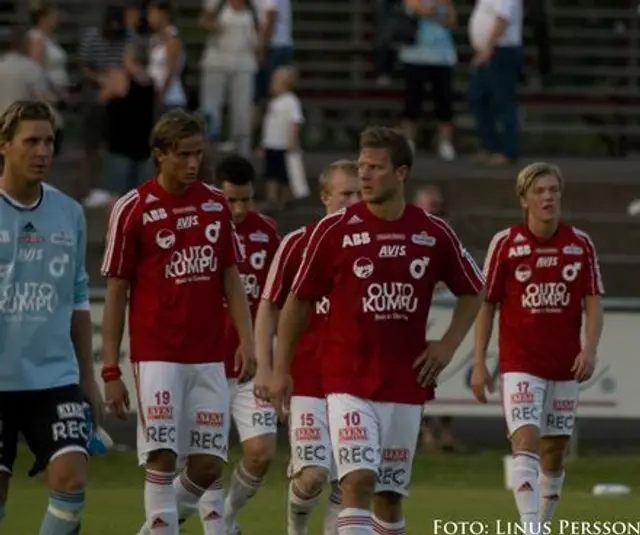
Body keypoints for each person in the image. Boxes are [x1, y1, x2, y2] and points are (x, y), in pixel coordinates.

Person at [270, 126, 485, 535]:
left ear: (401, 173)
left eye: (376, 168)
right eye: (362, 166)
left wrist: (448, 345)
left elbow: (474, 290)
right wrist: (281, 369)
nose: (365, 176)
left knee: (389, 496)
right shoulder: (333, 231)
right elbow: (297, 302)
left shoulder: (432, 232)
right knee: (357, 481)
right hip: (347, 378)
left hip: (405, 380)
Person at [100, 109, 255, 535]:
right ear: (159, 154)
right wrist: (111, 369)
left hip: (209, 355)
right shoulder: (132, 208)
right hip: (157, 355)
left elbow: (231, 277)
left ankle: (154, 529)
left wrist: (247, 340)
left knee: (208, 465)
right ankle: (162, 525)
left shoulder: (215, 203)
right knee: (163, 455)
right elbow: (116, 292)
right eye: (184, 154)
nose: (192, 163)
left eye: (198, 154)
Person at [471, 162, 604, 534]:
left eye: (553, 191)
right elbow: (487, 304)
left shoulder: (580, 243)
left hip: (564, 364)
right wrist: (480, 363)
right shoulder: (505, 243)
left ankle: (543, 525)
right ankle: (530, 527)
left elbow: (593, 300)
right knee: (525, 438)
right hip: (520, 363)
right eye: (540, 191)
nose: (548, 197)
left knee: (554, 451)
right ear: (524, 200)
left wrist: (589, 349)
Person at [0, 100, 101, 534]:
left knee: (71, 478)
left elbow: (79, 297)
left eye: (49, 142)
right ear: (4, 146)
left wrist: (88, 376)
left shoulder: (69, 213)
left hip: (54, 379)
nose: (42, 151)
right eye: (31, 141)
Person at [254, 159, 361, 535]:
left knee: (350, 483)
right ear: (324, 197)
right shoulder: (298, 243)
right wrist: (267, 367)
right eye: (345, 194)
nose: (353, 202)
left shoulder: (375, 245)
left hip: (356, 383)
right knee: (314, 475)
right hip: (308, 380)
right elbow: (268, 305)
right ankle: (295, 528)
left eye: (359, 193)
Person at [196, 154, 281, 535]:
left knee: (261, 453)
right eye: (232, 200)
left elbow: (277, 300)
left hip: (251, 368)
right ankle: (214, 529)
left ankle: (227, 518)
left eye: (247, 199)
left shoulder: (268, 233)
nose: (240, 208)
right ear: (216, 193)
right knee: (206, 455)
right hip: (207, 362)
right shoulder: (198, 228)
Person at [413, 184, 463, 452]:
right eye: (429, 207)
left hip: (443, 312)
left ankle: (444, 430)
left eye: (437, 207)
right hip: (414, 314)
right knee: (416, 370)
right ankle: (423, 430)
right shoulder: (406, 233)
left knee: (447, 374)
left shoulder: (447, 235)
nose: (434, 212)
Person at [198, 0, 261, 155]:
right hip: (216, 61)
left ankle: (242, 151)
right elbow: (203, 21)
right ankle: (208, 147)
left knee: (242, 109)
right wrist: (213, 25)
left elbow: (259, 33)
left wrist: (259, 52)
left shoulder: (253, 7)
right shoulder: (216, 4)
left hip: (243, 63)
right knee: (210, 107)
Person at [399, 0, 458, 161]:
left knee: (444, 102)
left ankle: (445, 143)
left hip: (442, 57)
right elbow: (419, 10)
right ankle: (408, 142)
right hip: (415, 56)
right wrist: (438, 10)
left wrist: (439, 11)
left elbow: (452, 22)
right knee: (412, 102)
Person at [468, 0, 523, 166]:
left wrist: (488, 48)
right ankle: (489, 146)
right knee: (478, 98)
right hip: (488, 50)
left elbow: (502, 19)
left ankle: (507, 151)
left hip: (501, 51)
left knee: (503, 101)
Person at [260, 65, 303, 211]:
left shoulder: (291, 101)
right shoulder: (274, 102)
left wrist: (292, 140)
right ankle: (271, 199)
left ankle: (285, 199)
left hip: (283, 145)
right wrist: (263, 143)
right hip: (271, 144)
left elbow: (295, 122)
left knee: (284, 175)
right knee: (271, 173)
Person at [147, 0, 187, 114]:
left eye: (152, 13)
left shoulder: (173, 39)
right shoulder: (155, 39)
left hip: (169, 99)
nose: (149, 17)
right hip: (155, 96)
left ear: (163, 14)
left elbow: (171, 70)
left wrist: (161, 94)